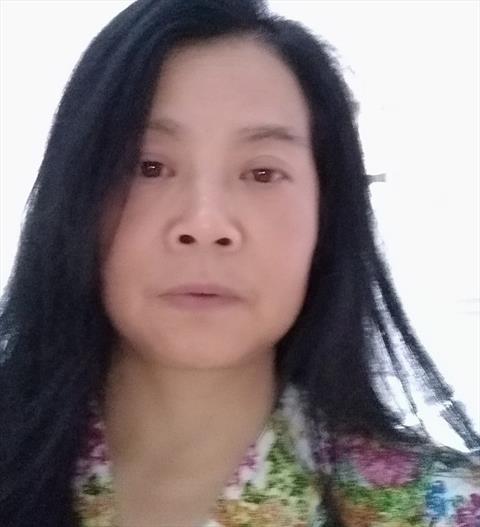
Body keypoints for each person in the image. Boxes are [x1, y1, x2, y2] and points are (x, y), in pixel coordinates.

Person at [0, 0, 478, 526]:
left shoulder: (445, 510)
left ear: (327, 214)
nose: (206, 223)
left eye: (262, 173)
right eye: (149, 166)